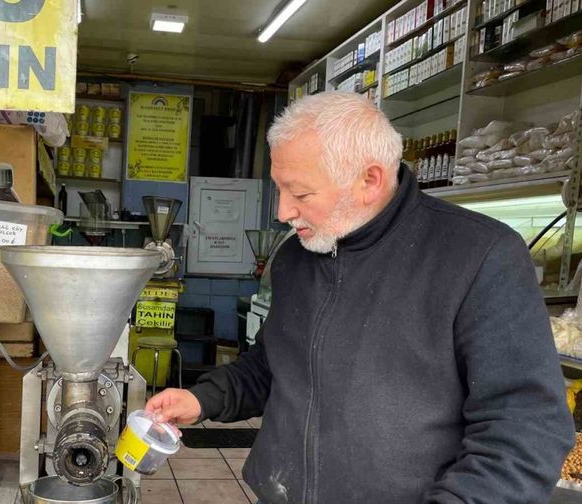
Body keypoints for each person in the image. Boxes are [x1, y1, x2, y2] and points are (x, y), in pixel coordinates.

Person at [145, 91, 575, 504]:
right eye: (280, 189)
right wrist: (204, 398)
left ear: (369, 180)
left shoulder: (478, 256)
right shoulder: (298, 256)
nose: (283, 212)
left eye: (301, 193)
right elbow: (274, 363)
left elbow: (525, 426)